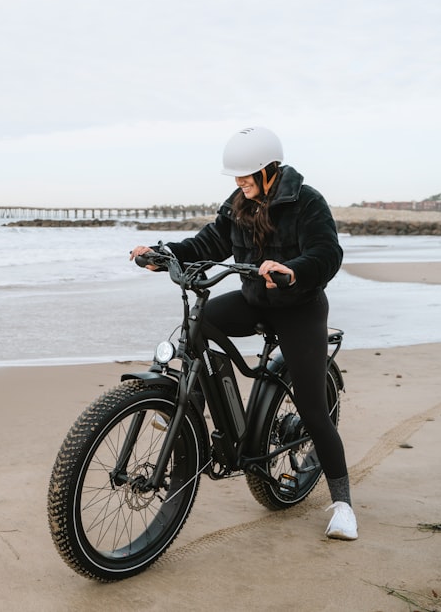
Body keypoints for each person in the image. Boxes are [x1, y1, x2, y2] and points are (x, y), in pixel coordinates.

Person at [129, 126, 358, 540]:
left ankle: (343, 504)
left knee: (311, 408)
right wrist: (163, 254)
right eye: (235, 176)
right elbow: (206, 243)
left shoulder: (306, 201)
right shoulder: (238, 205)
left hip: (299, 307)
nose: (240, 183)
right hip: (255, 299)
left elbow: (327, 253)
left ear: (270, 169)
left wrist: (294, 271)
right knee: (198, 323)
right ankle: (191, 402)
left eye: (247, 175)